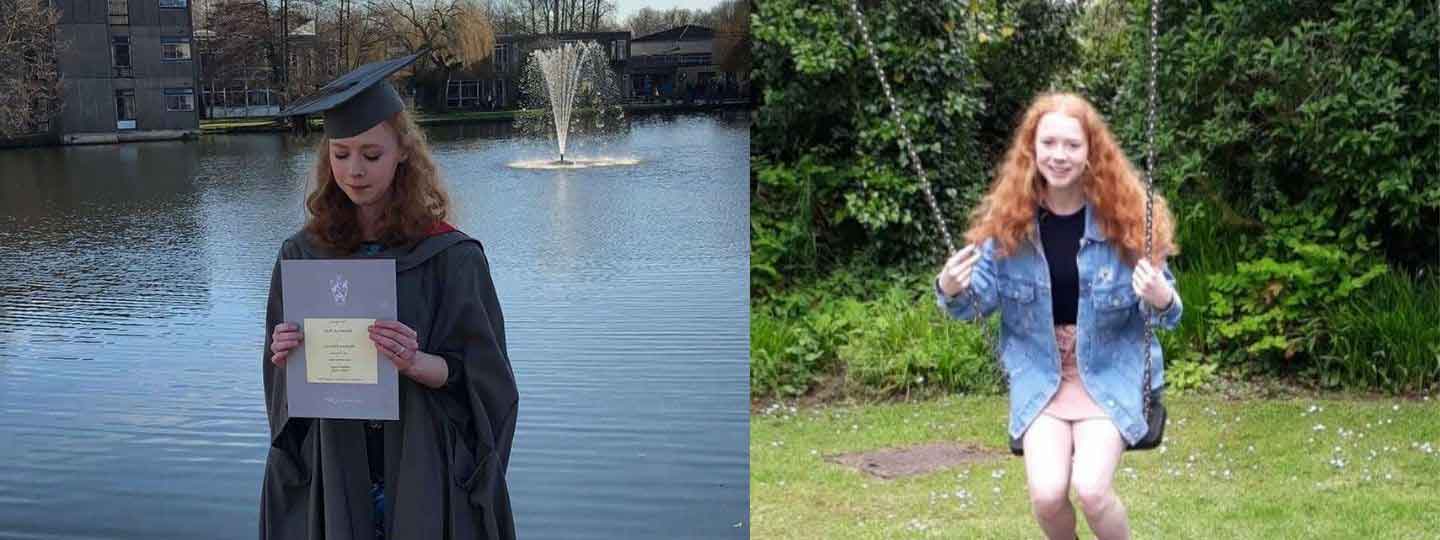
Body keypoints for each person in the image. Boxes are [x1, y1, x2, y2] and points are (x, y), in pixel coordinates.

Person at [260, 53, 519, 540]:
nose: (354, 170)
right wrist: (284, 359)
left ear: (403, 151)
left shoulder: (450, 256)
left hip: (426, 472)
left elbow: (489, 384)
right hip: (334, 474)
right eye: (341, 154)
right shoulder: (302, 255)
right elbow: (283, 408)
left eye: (371, 154)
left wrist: (420, 363)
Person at [935, 93, 1182, 540]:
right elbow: (978, 305)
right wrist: (952, 288)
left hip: (1109, 370)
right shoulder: (1010, 223)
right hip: (1041, 374)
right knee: (1047, 497)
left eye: (1072, 145)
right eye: (1049, 143)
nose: (1060, 156)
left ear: (1091, 152)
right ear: (1032, 148)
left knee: (1091, 489)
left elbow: (1166, 315)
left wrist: (1160, 295)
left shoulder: (1123, 221)